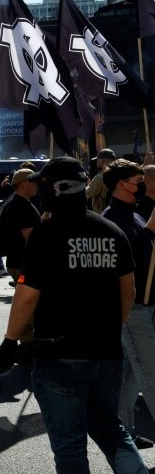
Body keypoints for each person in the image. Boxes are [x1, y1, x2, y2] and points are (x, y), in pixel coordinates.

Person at [0, 157, 147, 472]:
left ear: (56, 188)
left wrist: (8, 343)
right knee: (111, 430)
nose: (39, 190)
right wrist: (110, 328)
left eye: (42, 184)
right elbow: (128, 290)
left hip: (60, 356)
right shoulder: (111, 230)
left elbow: (26, 296)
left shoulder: (45, 235)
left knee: (70, 445)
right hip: (106, 354)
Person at [100, 159, 155, 449]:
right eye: (138, 182)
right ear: (122, 185)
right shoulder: (110, 219)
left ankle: (122, 435)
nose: (142, 187)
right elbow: (127, 258)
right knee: (151, 376)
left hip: (146, 305)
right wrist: (151, 229)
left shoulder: (133, 214)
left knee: (131, 377)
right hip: (133, 309)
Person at [3, 168, 41, 282]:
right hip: (22, 265)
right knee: (25, 291)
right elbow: (30, 238)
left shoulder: (23, 202)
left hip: (21, 264)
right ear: (23, 184)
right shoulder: (19, 206)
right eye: (34, 182)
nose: (37, 185)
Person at [87, 148, 116, 214]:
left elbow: (87, 193)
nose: (96, 163)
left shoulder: (99, 177)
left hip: (103, 214)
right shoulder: (119, 174)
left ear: (102, 161)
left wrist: (88, 183)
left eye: (97, 160)